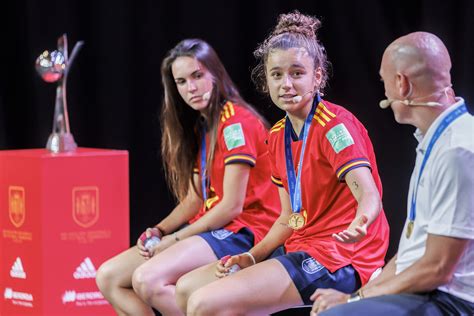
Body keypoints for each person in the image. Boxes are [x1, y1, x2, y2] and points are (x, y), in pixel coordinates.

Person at [174, 11, 389, 315]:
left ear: (317, 77)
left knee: (204, 302)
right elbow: (288, 216)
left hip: (343, 255)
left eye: (296, 73)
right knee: (185, 289)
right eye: (277, 75)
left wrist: (361, 222)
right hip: (301, 247)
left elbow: (368, 194)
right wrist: (252, 256)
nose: (286, 84)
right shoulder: (277, 136)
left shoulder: (334, 126)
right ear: (267, 80)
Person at [95, 38, 280, 316]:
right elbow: (195, 198)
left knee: (147, 280)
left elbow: (232, 205)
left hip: (244, 230)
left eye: (197, 76)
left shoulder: (236, 123)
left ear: (215, 75)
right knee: (108, 277)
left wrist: (177, 240)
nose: (191, 88)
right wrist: (160, 230)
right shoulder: (203, 127)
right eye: (181, 82)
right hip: (214, 228)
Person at [311, 32, 474, 316]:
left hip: (451, 301)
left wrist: (350, 303)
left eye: (384, 81)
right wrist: (357, 296)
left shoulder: (457, 149)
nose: (384, 92)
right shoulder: (433, 141)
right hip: (426, 290)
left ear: (402, 83)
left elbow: (437, 268)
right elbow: (411, 254)